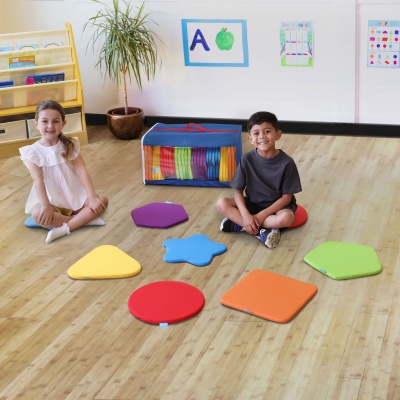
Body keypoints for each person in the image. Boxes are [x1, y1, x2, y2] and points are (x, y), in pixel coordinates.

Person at [20, 100, 108, 244]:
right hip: (52, 202)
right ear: (36, 124)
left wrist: (92, 198)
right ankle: (83, 221)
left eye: (55, 121)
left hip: (76, 197)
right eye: (45, 121)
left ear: (63, 123)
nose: (50, 126)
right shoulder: (33, 152)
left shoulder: (70, 145)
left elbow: (82, 172)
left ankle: (64, 228)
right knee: (37, 214)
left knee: (102, 200)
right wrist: (45, 207)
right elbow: (38, 181)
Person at [216, 111, 302, 248]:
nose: (262, 136)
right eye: (256, 133)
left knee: (286, 218)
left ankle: (241, 225)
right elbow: (237, 191)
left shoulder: (287, 162)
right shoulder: (246, 159)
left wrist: (260, 216)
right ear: (250, 139)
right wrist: (245, 215)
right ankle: (258, 231)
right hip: (253, 203)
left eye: (267, 131)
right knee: (221, 203)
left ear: (277, 135)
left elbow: (286, 198)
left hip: (277, 207)